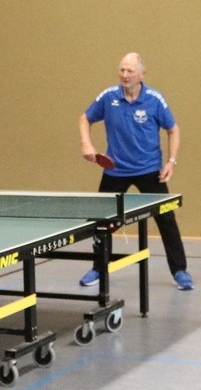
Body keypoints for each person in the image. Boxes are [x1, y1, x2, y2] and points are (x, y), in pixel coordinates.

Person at [78, 52, 194, 290]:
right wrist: (86, 144)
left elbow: (173, 129)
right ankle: (99, 268)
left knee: (167, 219)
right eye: (122, 70)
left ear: (142, 74)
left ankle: (180, 271)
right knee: (101, 222)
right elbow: (84, 118)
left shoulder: (154, 100)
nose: (125, 74)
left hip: (149, 169)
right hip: (115, 170)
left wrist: (171, 161)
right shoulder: (108, 97)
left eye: (130, 71)